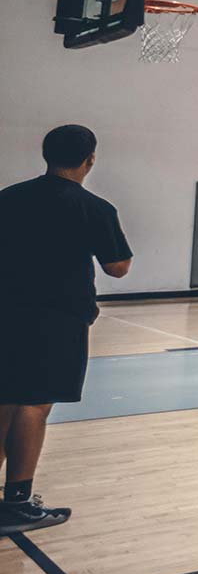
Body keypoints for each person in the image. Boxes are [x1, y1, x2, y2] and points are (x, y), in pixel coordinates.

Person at [0, 125, 132, 533]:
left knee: (4, 399)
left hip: (6, 312)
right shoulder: (93, 207)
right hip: (56, 319)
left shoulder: (8, 198)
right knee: (34, 405)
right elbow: (118, 266)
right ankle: (18, 503)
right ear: (90, 159)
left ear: (46, 155)